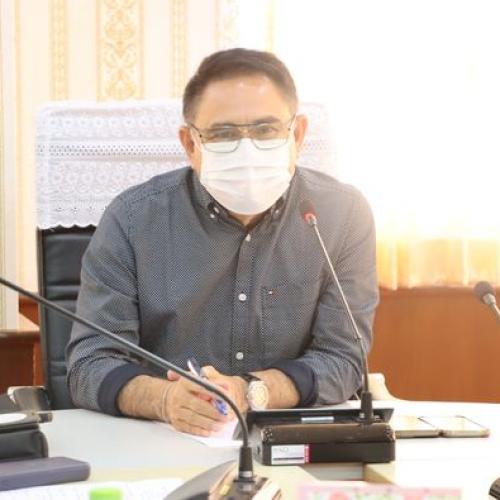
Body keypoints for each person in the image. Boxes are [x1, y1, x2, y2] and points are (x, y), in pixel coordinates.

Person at [66, 48, 379, 437]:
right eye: (223, 134)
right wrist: (166, 400)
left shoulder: (341, 214)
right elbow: (90, 363)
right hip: (164, 437)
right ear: (190, 144)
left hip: (290, 438)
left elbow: (344, 359)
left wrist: (251, 391)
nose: (246, 150)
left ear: (297, 135)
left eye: (265, 129)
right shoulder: (132, 220)